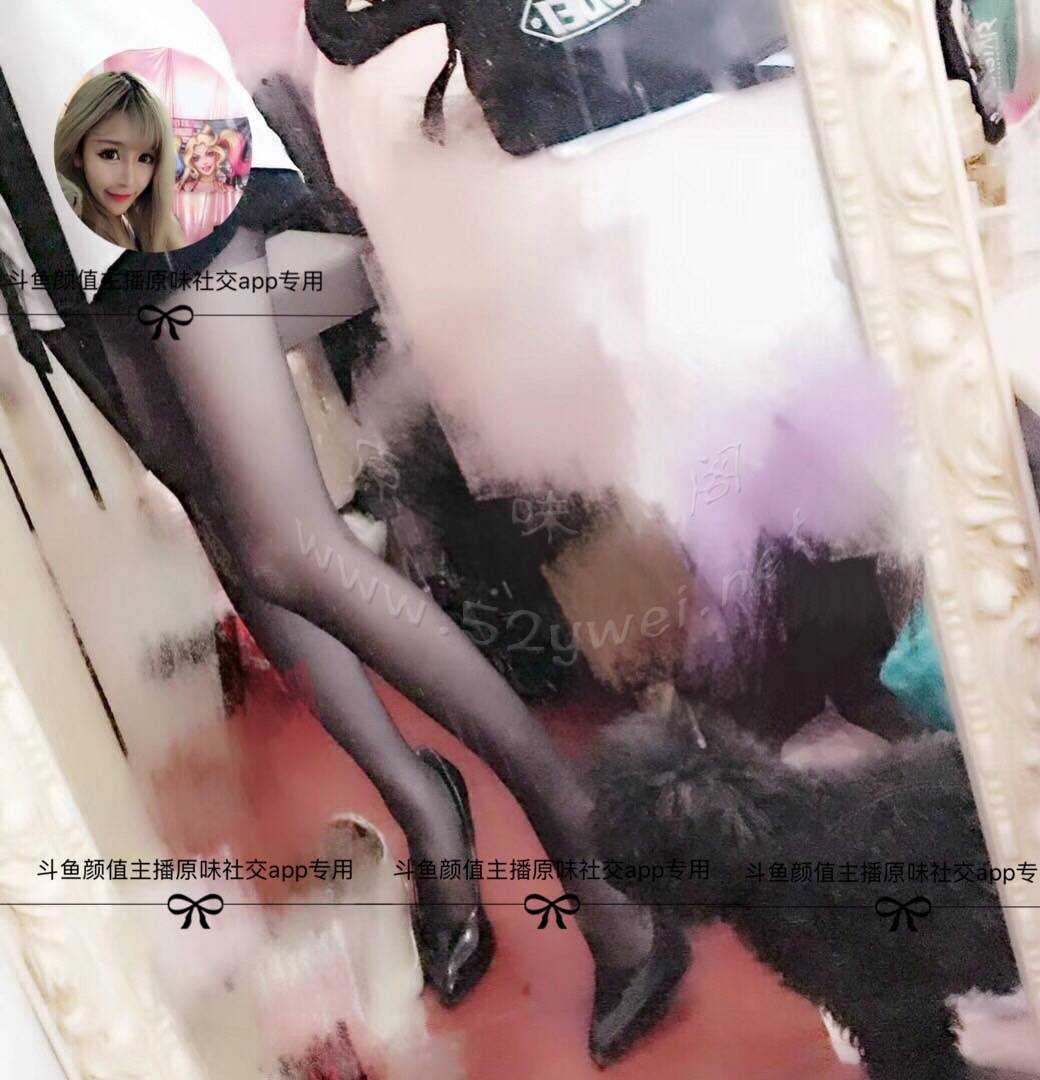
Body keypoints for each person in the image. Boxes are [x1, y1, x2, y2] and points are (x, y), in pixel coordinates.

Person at [0, 0, 687, 1068]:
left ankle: (590, 845)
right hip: (38, 163)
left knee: (287, 545)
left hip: (121, 89)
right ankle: (426, 810)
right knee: (230, 527)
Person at [54, 71, 185, 252]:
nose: (128, 180)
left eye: (145, 158)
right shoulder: (70, 234)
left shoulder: (144, 225)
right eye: (110, 154)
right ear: (78, 152)